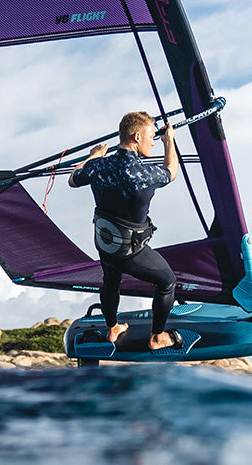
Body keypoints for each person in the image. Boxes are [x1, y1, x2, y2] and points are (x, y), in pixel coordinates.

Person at [69, 110, 181, 350]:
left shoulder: (98, 166)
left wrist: (93, 156)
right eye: (151, 136)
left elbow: (73, 178)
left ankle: (113, 328)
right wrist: (169, 140)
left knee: (111, 280)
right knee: (167, 282)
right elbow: (172, 171)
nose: (153, 141)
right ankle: (158, 337)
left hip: (105, 245)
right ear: (137, 137)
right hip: (130, 252)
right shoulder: (144, 173)